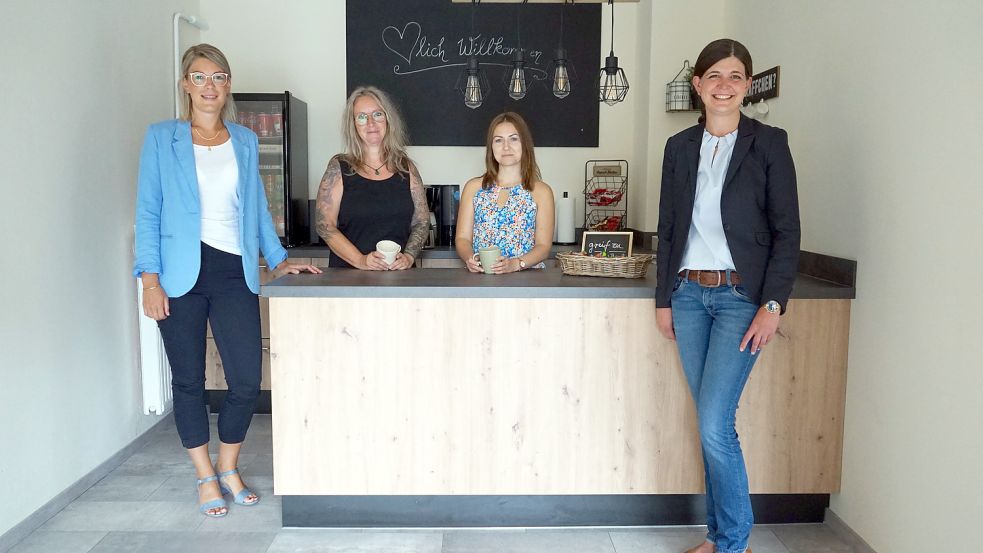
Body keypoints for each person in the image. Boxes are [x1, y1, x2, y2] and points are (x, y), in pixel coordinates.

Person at [134, 44, 321, 518]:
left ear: (227, 85)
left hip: (234, 270)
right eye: (200, 77)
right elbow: (149, 212)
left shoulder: (243, 139)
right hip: (179, 274)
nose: (209, 86)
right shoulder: (162, 138)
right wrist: (149, 280)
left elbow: (255, 207)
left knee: (244, 381)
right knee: (190, 381)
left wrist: (279, 259)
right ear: (185, 85)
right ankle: (204, 476)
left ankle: (229, 466)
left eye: (218, 77)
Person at [655, 39, 800, 553]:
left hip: (742, 297)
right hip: (689, 294)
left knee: (716, 424)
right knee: (708, 422)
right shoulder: (679, 147)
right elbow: (669, 227)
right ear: (697, 84)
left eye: (736, 76)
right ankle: (720, 539)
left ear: (747, 86)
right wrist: (663, 299)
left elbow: (787, 231)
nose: (724, 84)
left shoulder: (769, 143)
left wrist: (774, 304)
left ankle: (735, 544)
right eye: (714, 75)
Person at [315, 86, 428, 269]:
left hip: (398, 280)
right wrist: (361, 260)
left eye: (377, 114)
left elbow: (421, 222)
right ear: (353, 125)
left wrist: (408, 256)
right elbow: (324, 225)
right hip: (349, 279)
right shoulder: (339, 168)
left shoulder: (406, 168)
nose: (370, 123)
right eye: (361, 117)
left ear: (388, 119)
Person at [455, 112, 555, 273]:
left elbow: (543, 247)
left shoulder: (541, 191)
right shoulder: (474, 188)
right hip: (482, 278)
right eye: (498, 140)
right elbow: (462, 238)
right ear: (491, 147)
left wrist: (516, 264)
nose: (506, 147)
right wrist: (470, 258)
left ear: (525, 144)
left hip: (527, 280)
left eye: (514, 139)